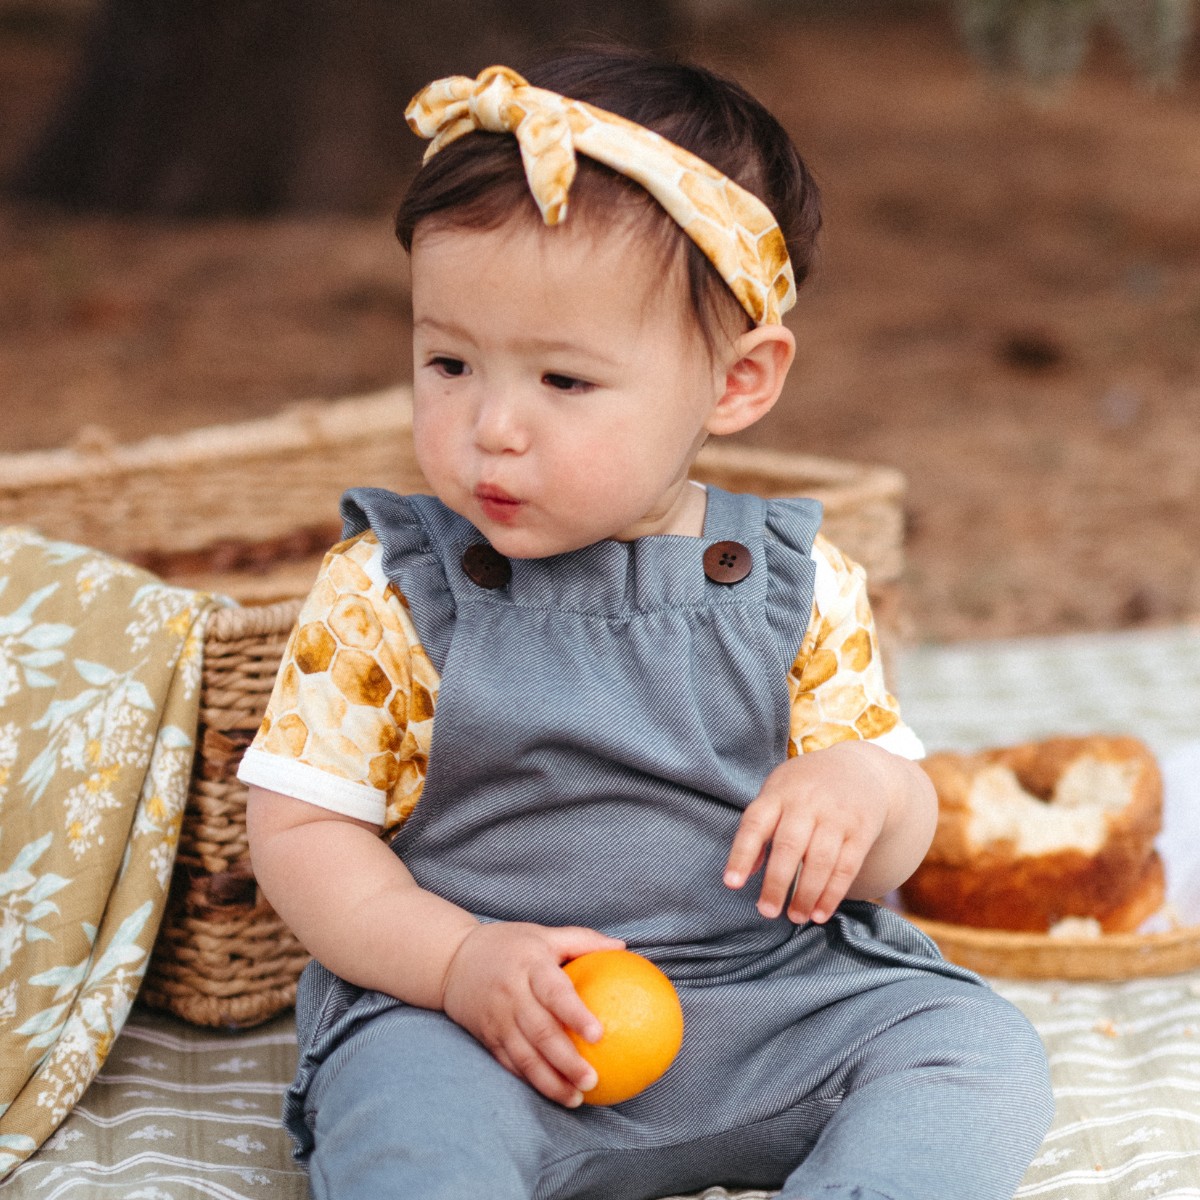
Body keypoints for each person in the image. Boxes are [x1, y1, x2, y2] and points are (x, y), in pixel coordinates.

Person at [240, 48, 1053, 1200]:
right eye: (449, 362)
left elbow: (892, 837)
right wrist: (458, 959)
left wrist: (865, 794)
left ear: (737, 383)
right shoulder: (390, 588)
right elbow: (302, 836)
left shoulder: (793, 582)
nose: (492, 428)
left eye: (563, 382)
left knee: (973, 1050)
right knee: (404, 1116)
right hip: (493, 1025)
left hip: (771, 1003)